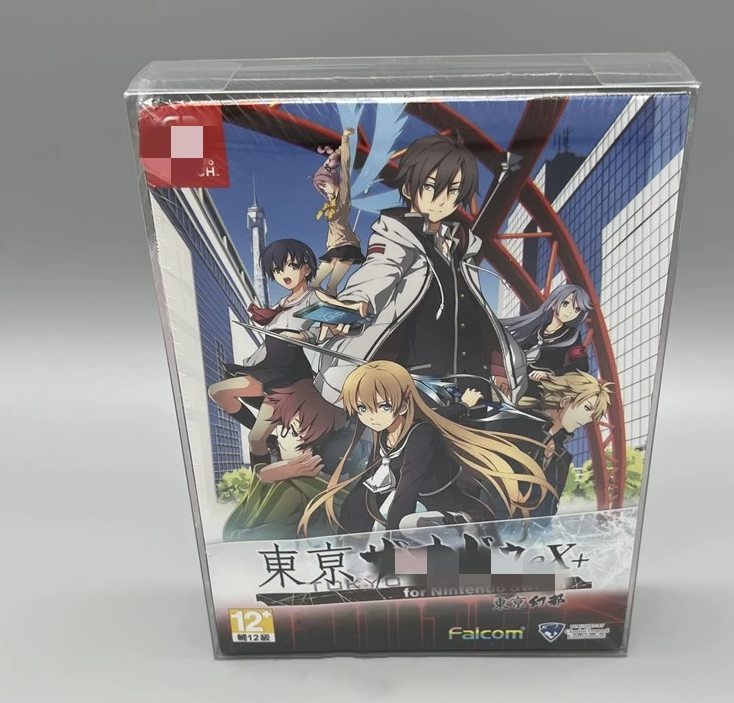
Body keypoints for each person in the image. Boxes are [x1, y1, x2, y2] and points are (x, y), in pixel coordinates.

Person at [312, 134, 528, 406]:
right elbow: (378, 271)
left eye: (453, 190)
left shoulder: (460, 246)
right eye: (430, 187)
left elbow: (474, 311)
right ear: (408, 188)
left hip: (473, 380)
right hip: (417, 381)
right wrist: (355, 303)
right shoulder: (396, 236)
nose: (442, 200)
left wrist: (498, 367)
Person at [298, 361, 552, 536]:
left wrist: (393, 539)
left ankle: (447, 544)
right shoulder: (385, 432)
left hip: (453, 513)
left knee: (408, 524)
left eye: (383, 406)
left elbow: (408, 489)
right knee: (356, 507)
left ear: (403, 403)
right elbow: (438, 416)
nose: (372, 416)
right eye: (363, 408)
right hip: (420, 507)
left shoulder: (421, 435)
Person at [207, 238, 364, 462]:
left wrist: (353, 311)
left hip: (289, 377)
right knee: (218, 392)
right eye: (277, 270)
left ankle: (265, 471)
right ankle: (271, 441)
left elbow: (341, 314)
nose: (283, 274)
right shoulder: (283, 302)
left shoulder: (313, 296)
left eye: (291, 266)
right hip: (268, 368)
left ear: (306, 269)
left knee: (255, 439)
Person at [221, 380, 354, 541]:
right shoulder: (350, 477)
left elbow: (239, 537)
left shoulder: (291, 491)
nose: (279, 439)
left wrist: (267, 475)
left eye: (289, 431)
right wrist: (266, 474)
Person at [518, 372, 613, 517]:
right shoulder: (520, 426)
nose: (587, 419)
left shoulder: (563, 457)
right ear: (565, 401)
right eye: (587, 409)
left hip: (531, 529)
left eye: (592, 416)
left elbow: (549, 508)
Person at [501, 283, 593, 401]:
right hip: (512, 380)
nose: (570, 312)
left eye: (577, 309)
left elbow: (582, 366)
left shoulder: (571, 337)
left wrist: (549, 374)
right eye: (566, 303)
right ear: (554, 304)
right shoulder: (536, 328)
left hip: (538, 390)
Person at [310, 127, 365, 297]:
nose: (323, 189)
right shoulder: (330, 203)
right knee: (314, 283)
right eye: (321, 187)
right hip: (334, 247)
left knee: (331, 286)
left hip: (347, 245)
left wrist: (345, 140)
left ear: (333, 182)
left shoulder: (342, 196)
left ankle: (331, 305)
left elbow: (345, 167)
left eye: (324, 185)